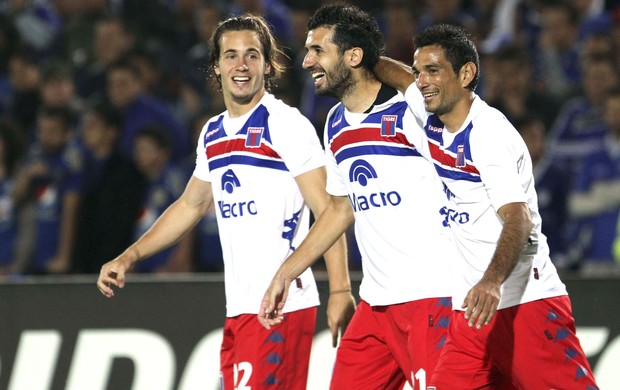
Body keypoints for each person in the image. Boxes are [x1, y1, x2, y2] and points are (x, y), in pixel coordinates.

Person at [96, 14, 353, 390]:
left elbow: (330, 210)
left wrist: (341, 290)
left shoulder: (284, 124)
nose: (241, 65)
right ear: (216, 66)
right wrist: (129, 256)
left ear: (268, 64)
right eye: (231, 55)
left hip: (281, 308)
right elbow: (191, 205)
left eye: (252, 55)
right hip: (240, 309)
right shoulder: (213, 133)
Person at [374, 24, 598, 388]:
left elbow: (518, 217)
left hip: (523, 304)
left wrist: (491, 282)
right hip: (471, 314)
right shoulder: (432, 117)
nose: (421, 82)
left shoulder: (489, 134)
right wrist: (362, 58)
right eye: (419, 72)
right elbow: (399, 77)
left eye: (433, 71)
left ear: (466, 74)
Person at [259, 5, 456, 389]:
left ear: (353, 56)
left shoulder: (412, 111)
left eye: (318, 50)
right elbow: (339, 208)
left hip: (434, 296)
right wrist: (287, 271)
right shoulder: (334, 123)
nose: (306, 61)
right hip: (376, 305)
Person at [71, 101, 146, 274]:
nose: (86, 131)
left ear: (111, 132)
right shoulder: (83, 167)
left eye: (93, 126)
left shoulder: (127, 172)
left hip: (112, 263)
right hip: (84, 262)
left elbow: (122, 223)